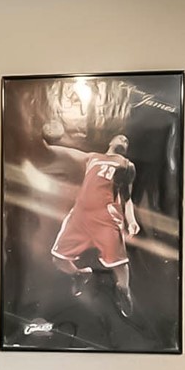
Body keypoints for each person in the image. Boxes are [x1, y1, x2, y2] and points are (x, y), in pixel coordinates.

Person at [41, 128, 140, 318]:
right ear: (111, 141)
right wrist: (47, 145)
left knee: (119, 264)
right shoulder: (92, 157)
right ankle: (79, 274)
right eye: (121, 137)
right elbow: (68, 153)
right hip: (80, 215)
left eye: (127, 141)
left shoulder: (127, 165)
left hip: (106, 216)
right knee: (58, 258)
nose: (124, 140)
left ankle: (123, 291)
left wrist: (132, 220)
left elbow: (127, 198)